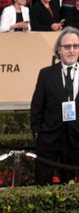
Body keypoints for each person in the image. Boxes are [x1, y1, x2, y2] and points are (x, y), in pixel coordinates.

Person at [30, 26, 79, 184]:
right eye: (67, 46)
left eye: (76, 46)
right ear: (59, 49)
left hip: (76, 140)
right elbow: (36, 107)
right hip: (49, 139)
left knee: (70, 188)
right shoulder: (46, 74)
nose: (71, 50)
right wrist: (37, 132)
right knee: (41, 184)